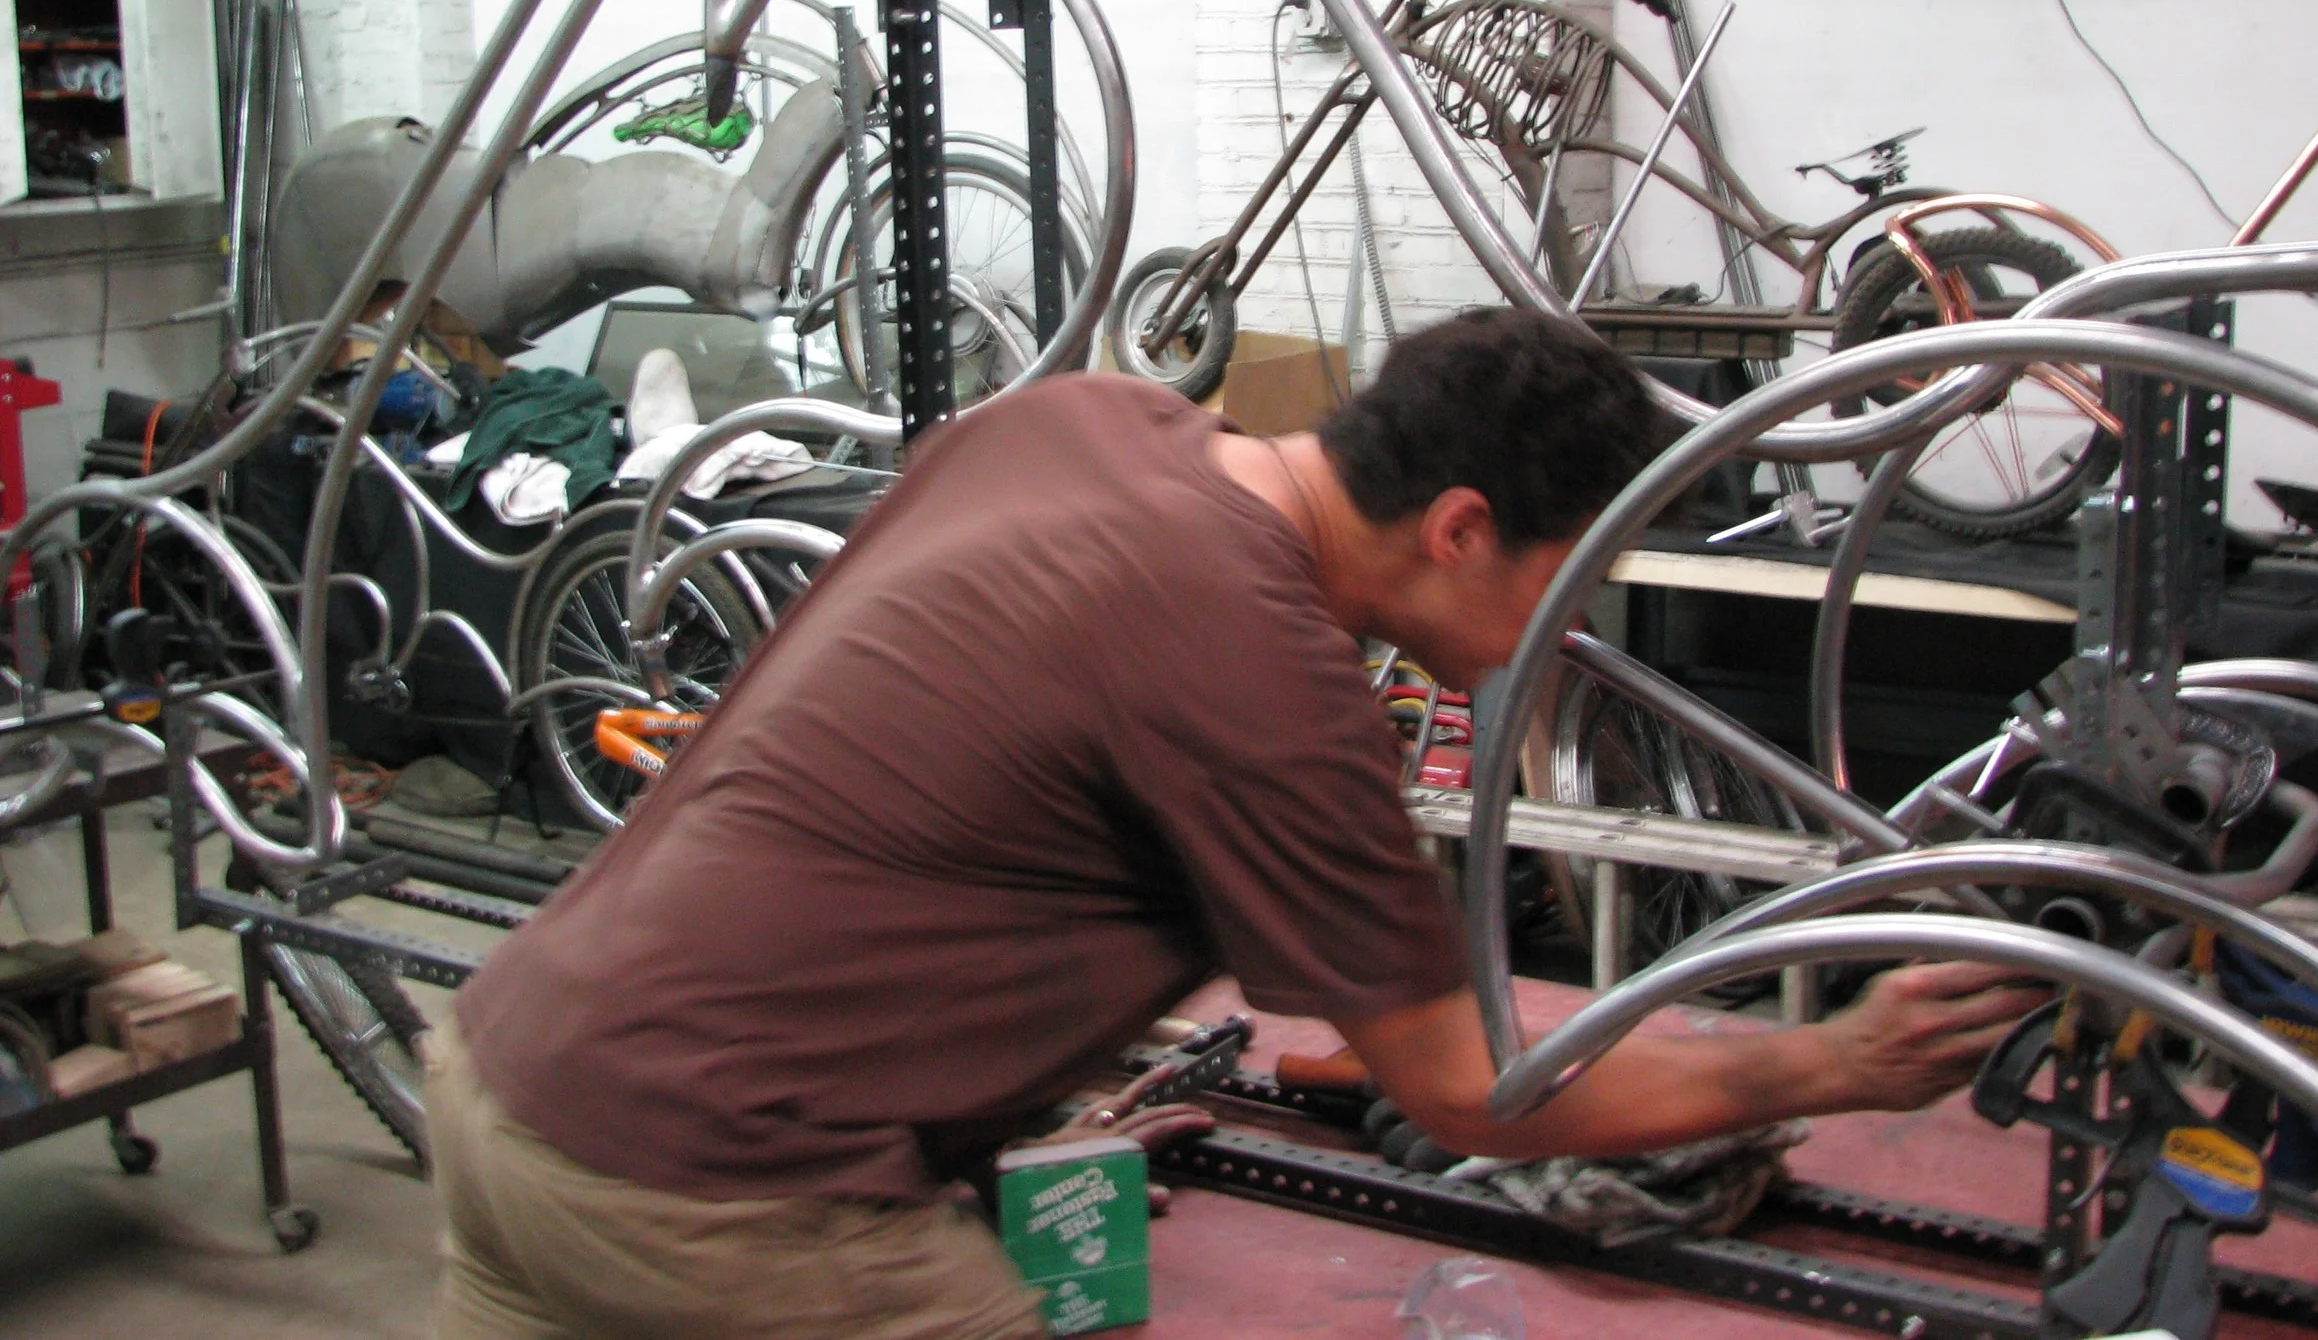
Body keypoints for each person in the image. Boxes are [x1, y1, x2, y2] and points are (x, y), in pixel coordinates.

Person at [429, 308, 2043, 1339]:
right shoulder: (1264, 665)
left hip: (510, 1080)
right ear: (1464, 525)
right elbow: (1477, 1093)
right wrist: (1832, 1059)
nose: (1580, 624)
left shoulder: (1084, 418)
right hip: (725, 1198)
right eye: (1574, 575)